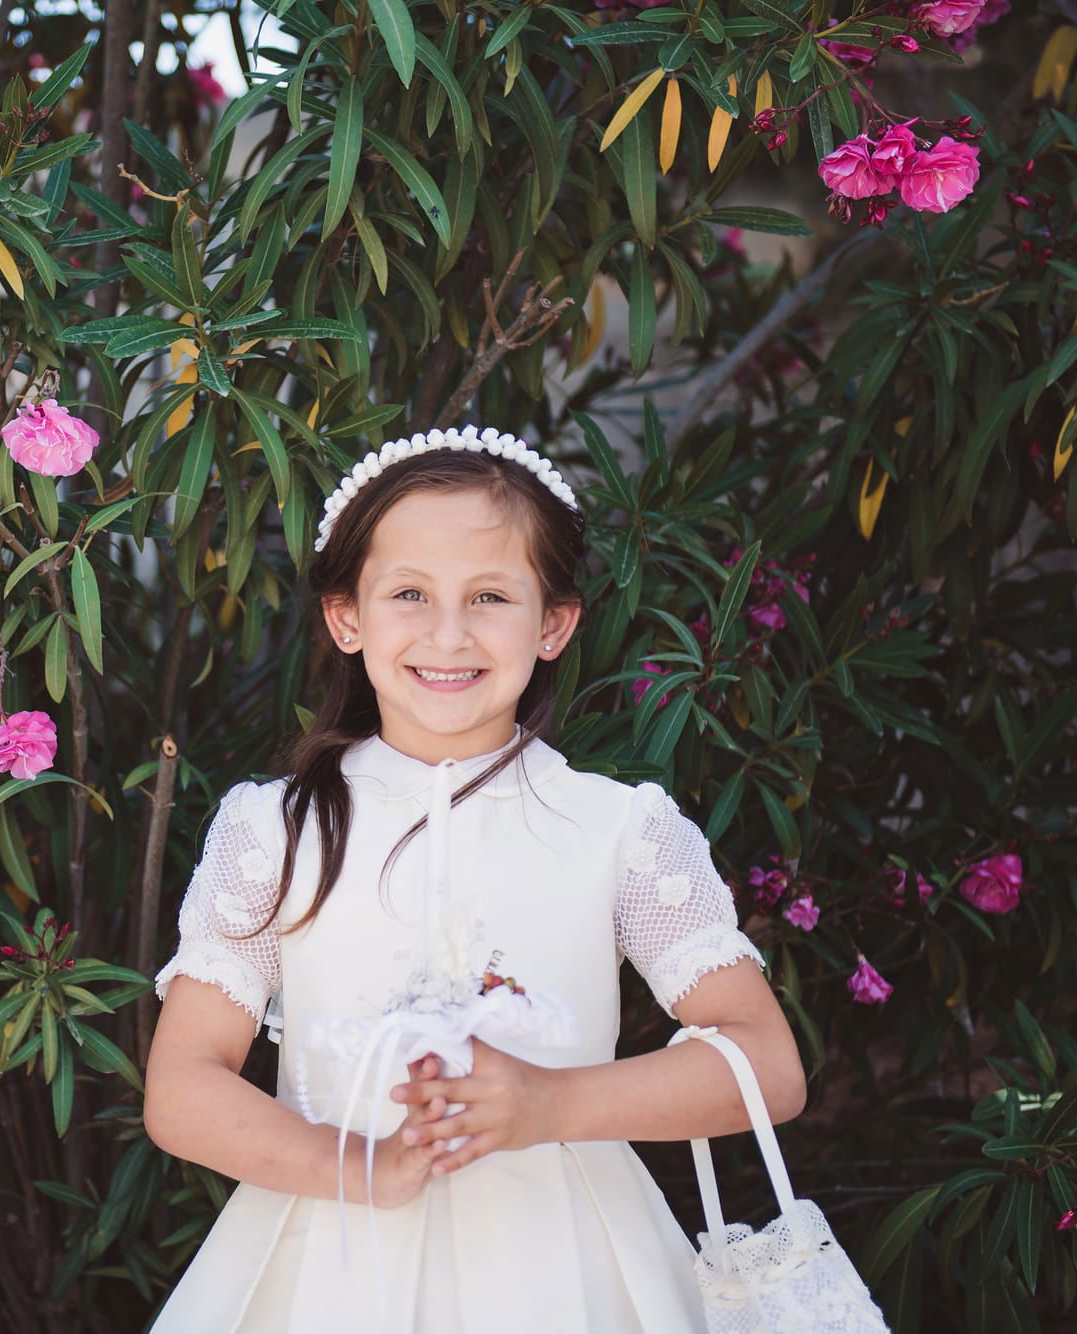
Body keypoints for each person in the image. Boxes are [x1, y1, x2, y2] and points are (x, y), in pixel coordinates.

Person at [141, 426, 807, 1332]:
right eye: (408, 593)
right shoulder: (278, 830)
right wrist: (356, 1166)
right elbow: (183, 1085)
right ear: (347, 618)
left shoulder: (621, 831)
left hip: (570, 1270)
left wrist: (551, 1102)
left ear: (553, 624)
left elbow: (768, 1066)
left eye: (490, 595)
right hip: (328, 1265)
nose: (447, 633)